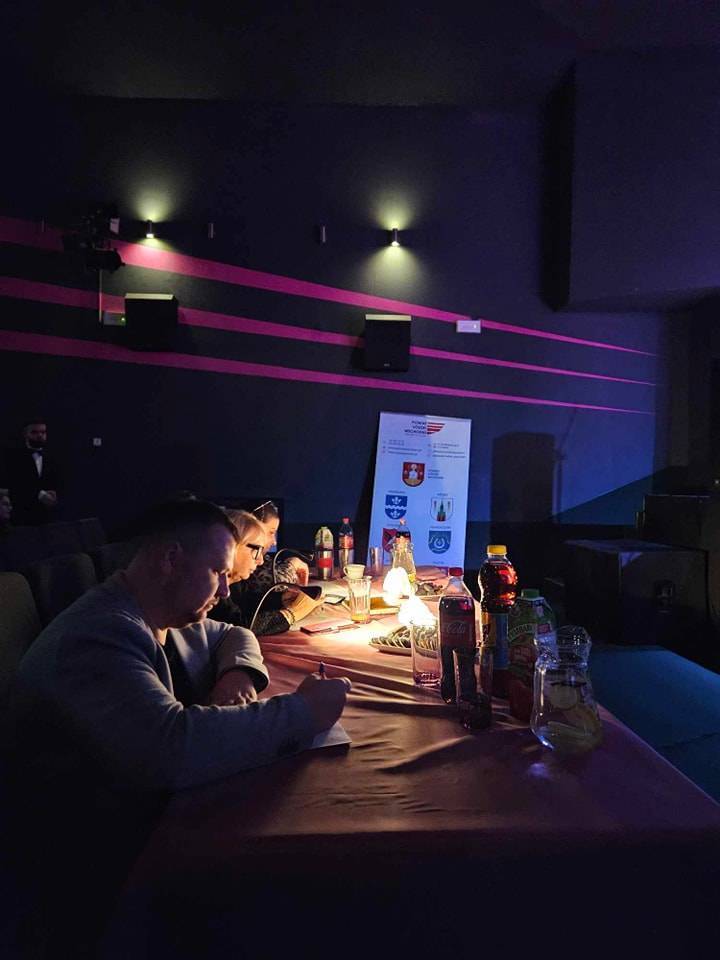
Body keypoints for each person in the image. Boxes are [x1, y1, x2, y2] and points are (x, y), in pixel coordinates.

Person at [7, 498, 350, 955]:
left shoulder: (158, 609)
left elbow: (234, 634)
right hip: (86, 880)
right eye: (218, 572)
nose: (226, 590)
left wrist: (237, 675)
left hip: (129, 835)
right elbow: (168, 750)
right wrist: (302, 713)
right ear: (170, 560)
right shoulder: (98, 634)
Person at [212, 509, 322, 633]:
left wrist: (281, 599)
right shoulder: (211, 587)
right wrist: (292, 613)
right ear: (232, 545)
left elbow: (245, 601)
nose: (260, 561)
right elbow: (237, 626)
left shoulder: (233, 583)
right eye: (257, 550)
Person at [2, 419, 61, 524]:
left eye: (43, 432)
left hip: (47, 517)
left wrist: (53, 495)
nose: (40, 435)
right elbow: (13, 485)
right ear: (25, 434)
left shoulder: (52, 458)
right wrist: (39, 494)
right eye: (34, 432)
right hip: (21, 515)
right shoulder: (13, 458)